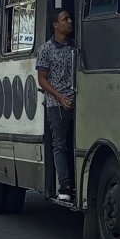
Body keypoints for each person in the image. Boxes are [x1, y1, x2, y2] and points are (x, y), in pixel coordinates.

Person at [36, 10, 75, 201]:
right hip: (56, 104)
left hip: (76, 100)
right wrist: (59, 97)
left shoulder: (74, 47)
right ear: (55, 25)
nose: (70, 21)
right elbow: (42, 80)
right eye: (65, 19)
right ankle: (65, 186)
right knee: (59, 145)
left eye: (69, 18)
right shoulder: (46, 49)